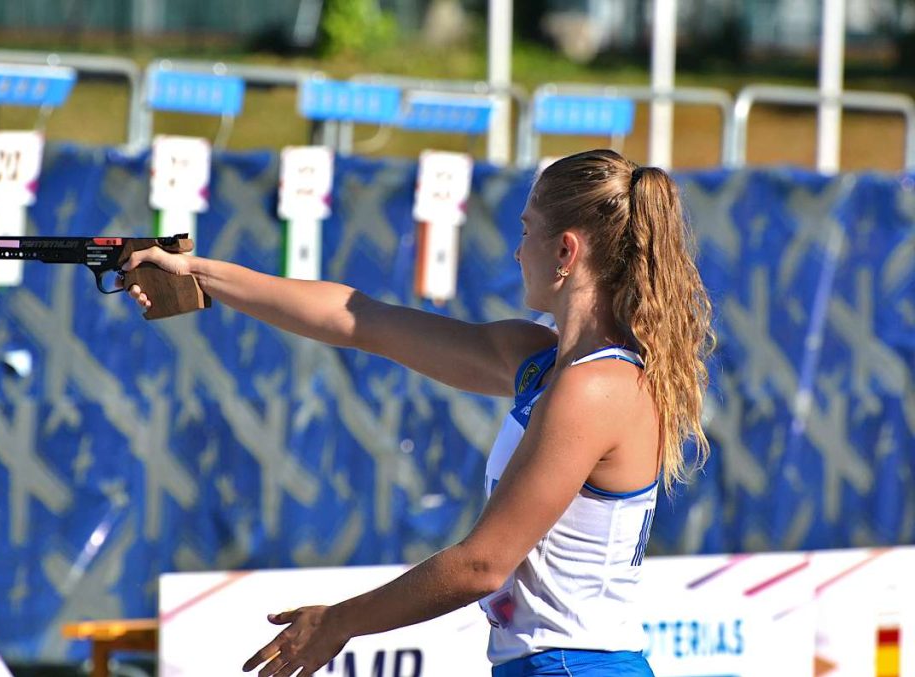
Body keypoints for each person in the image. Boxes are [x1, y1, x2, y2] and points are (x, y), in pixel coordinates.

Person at [122, 149, 714, 677]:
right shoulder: (543, 360)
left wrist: (338, 623)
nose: (516, 249)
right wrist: (201, 274)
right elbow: (361, 319)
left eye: (526, 231)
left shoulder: (595, 387)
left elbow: (483, 564)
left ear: (566, 250)